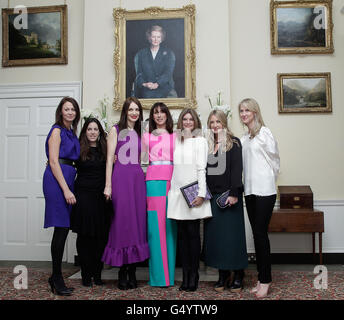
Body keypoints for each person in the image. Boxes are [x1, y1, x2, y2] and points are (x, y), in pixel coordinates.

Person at [102, 97, 149, 290]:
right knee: (122, 223)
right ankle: (122, 270)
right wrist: (108, 186)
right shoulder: (115, 130)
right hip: (120, 179)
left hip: (137, 179)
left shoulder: (140, 131)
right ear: (125, 111)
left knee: (137, 224)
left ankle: (132, 270)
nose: (134, 113)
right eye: (131, 109)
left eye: (137, 109)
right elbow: (108, 160)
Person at [239, 98, 280, 298]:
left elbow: (275, 160)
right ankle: (261, 277)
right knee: (256, 235)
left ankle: (265, 280)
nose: (244, 113)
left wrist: (269, 180)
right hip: (250, 191)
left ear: (255, 112)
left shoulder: (265, 133)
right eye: (241, 111)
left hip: (265, 191)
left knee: (261, 235)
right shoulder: (244, 138)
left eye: (247, 110)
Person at [203, 110, 248, 293]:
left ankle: (238, 274)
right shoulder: (208, 144)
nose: (215, 125)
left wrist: (235, 193)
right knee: (217, 239)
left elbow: (237, 170)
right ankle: (223, 275)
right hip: (212, 198)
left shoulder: (234, 143)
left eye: (218, 122)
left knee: (232, 238)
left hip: (229, 198)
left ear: (224, 123)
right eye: (212, 122)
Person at [167, 109, 212, 292]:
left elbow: (201, 168)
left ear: (195, 122)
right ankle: (185, 276)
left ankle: (194, 276)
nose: (187, 122)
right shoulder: (176, 140)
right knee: (182, 238)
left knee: (193, 236)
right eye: (184, 119)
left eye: (190, 119)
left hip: (193, 193)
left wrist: (201, 193)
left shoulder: (200, 141)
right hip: (177, 193)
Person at [43, 97, 80, 296]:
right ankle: (56, 278)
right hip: (57, 181)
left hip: (68, 177)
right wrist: (66, 189)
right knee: (61, 228)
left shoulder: (71, 132)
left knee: (64, 228)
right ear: (61, 111)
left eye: (73, 109)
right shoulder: (57, 130)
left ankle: (55, 276)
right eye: (66, 109)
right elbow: (54, 162)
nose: (70, 112)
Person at [70, 118, 111, 287]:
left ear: (100, 132)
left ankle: (97, 274)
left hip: (101, 197)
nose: (93, 132)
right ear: (85, 132)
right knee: (85, 237)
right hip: (83, 197)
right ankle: (86, 275)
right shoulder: (78, 148)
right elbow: (63, 159)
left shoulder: (105, 149)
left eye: (95, 129)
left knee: (100, 238)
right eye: (89, 129)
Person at [143, 102, 177, 287]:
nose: (159, 115)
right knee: (155, 229)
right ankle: (158, 277)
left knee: (170, 227)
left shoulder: (176, 136)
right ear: (152, 117)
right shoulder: (146, 137)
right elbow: (137, 159)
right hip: (153, 183)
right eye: (155, 113)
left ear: (167, 115)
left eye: (162, 112)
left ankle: (169, 276)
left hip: (172, 182)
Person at [134, 25, 176, 99]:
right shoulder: (141, 54)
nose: (156, 39)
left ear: (162, 38)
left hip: (164, 88)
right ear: (149, 37)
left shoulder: (169, 53)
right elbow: (139, 74)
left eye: (158, 37)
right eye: (153, 37)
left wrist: (157, 84)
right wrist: (145, 84)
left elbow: (168, 73)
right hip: (146, 89)